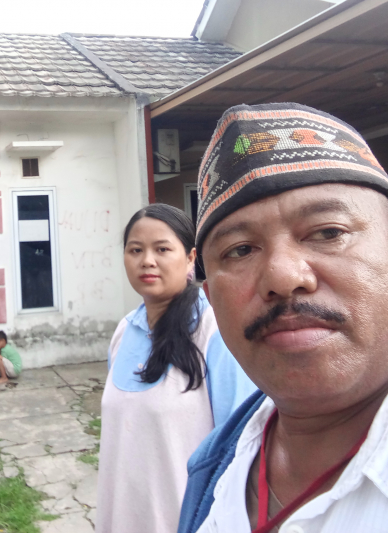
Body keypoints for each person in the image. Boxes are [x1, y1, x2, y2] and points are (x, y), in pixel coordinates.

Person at [178, 103, 388, 533]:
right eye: (241, 250)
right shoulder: (211, 471)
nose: (283, 277)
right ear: (211, 299)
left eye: (328, 232)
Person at [97, 204, 256, 533]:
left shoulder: (215, 332)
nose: (147, 261)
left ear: (190, 257)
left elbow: (242, 448)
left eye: (162, 249)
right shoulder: (123, 332)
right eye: (135, 250)